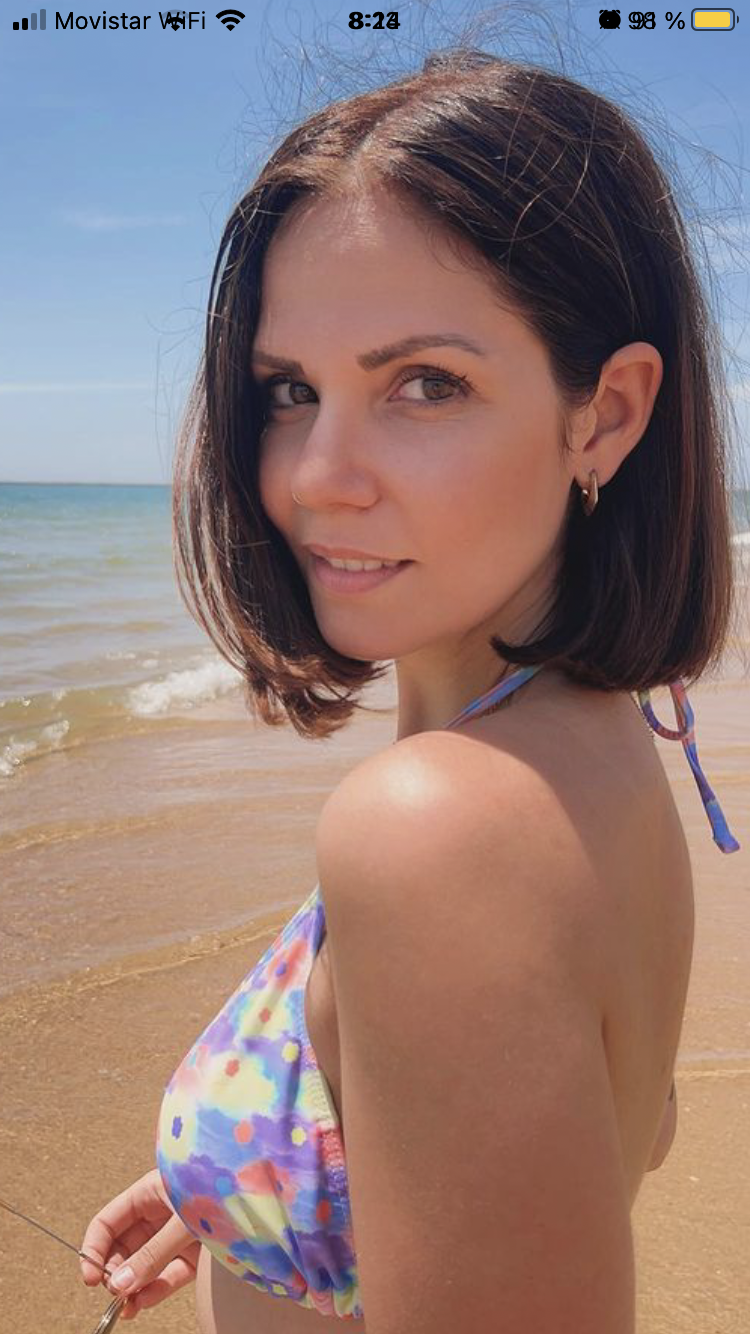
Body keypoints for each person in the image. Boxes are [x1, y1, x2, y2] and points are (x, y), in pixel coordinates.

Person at [80, 44, 743, 1332]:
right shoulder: (584, 742)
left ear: (605, 415)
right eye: (290, 390)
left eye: (426, 385)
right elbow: (605, 1117)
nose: (317, 474)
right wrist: (244, 1185)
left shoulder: (438, 826)